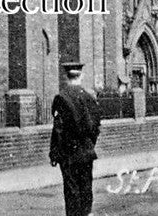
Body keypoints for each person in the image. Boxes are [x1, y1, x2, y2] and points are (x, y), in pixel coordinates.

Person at [50, 62, 101, 216]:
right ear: (81, 76)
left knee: (72, 191)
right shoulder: (90, 98)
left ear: (66, 77)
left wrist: (54, 152)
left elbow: (59, 130)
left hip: (69, 154)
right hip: (87, 151)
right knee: (86, 188)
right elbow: (96, 128)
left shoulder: (61, 98)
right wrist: (89, 145)